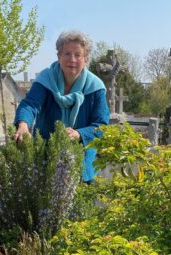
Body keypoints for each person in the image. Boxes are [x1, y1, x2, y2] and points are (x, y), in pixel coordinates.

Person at [14, 30, 109, 182]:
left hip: (81, 165)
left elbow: (101, 126)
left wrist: (78, 134)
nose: (72, 59)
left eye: (78, 55)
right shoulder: (46, 79)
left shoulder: (96, 87)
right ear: (59, 56)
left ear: (85, 59)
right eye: (67, 53)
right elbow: (30, 104)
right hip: (46, 161)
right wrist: (23, 125)